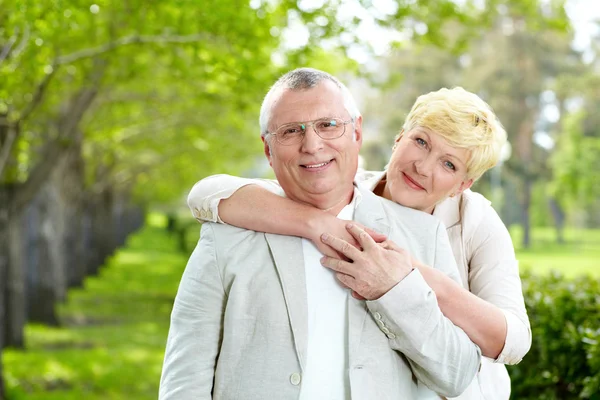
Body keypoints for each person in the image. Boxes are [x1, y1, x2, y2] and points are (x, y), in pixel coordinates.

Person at [187, 86, 531, 399]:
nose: (423, 167)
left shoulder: (476, 223)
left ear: (461, 184)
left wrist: (408, 273)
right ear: (399, 138)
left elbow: (514, 341)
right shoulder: (340, 187)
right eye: (421, 142)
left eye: (448, 164)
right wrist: (319, 225)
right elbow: (210, 194)